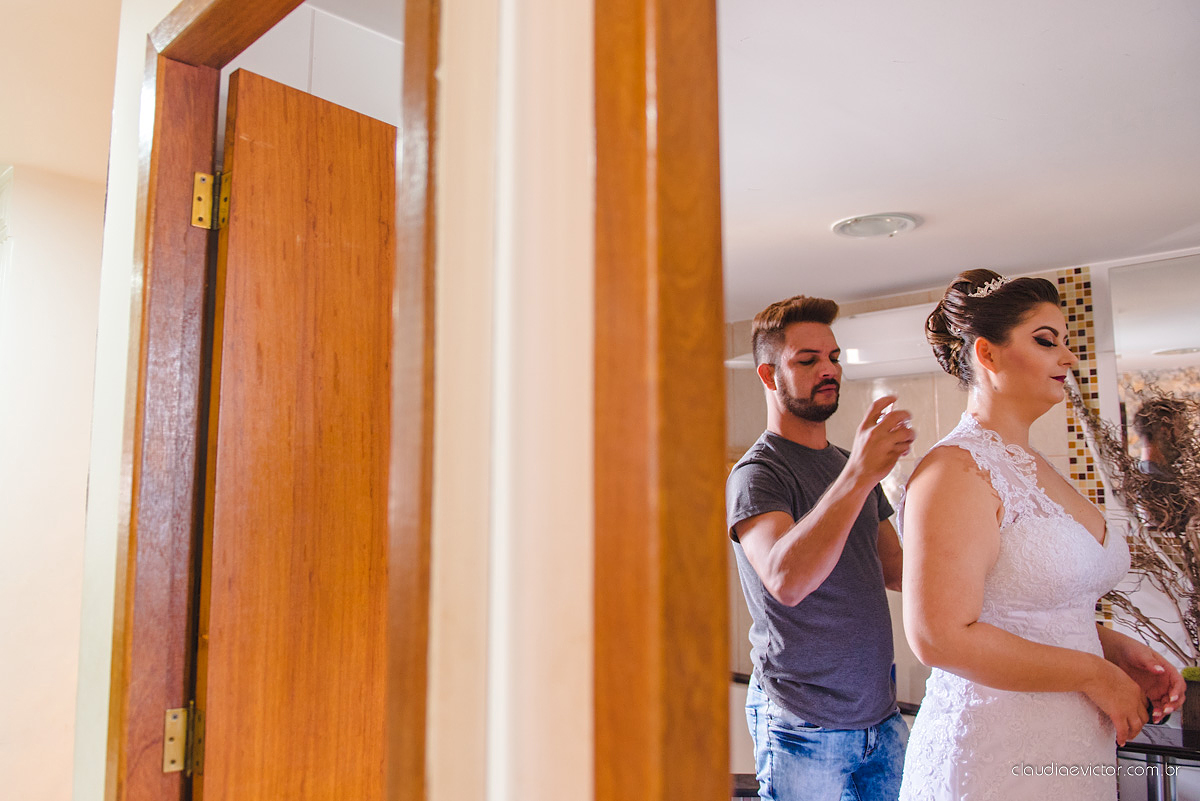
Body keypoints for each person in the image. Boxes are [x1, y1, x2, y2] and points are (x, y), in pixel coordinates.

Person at [898, 269, 1186, 800]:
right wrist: (1095, 677)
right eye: (1046, 341)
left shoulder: (1038, 467)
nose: (1068, 359)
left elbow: (1026, 609)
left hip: (1072, 748)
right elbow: (939, 636)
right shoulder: (955, 473)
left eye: (1067, 343)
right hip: (997, 753)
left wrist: (1109, 648)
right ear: (988, 354)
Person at [727, 294, 916, 801]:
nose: (828, 369)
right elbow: (786, 581)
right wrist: (858, 476)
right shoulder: (757, 474)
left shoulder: (849, 465)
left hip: (881, 717)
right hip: (801, 724)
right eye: (807, 360)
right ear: (769, 376)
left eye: (833, 357)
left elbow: (894, 567)